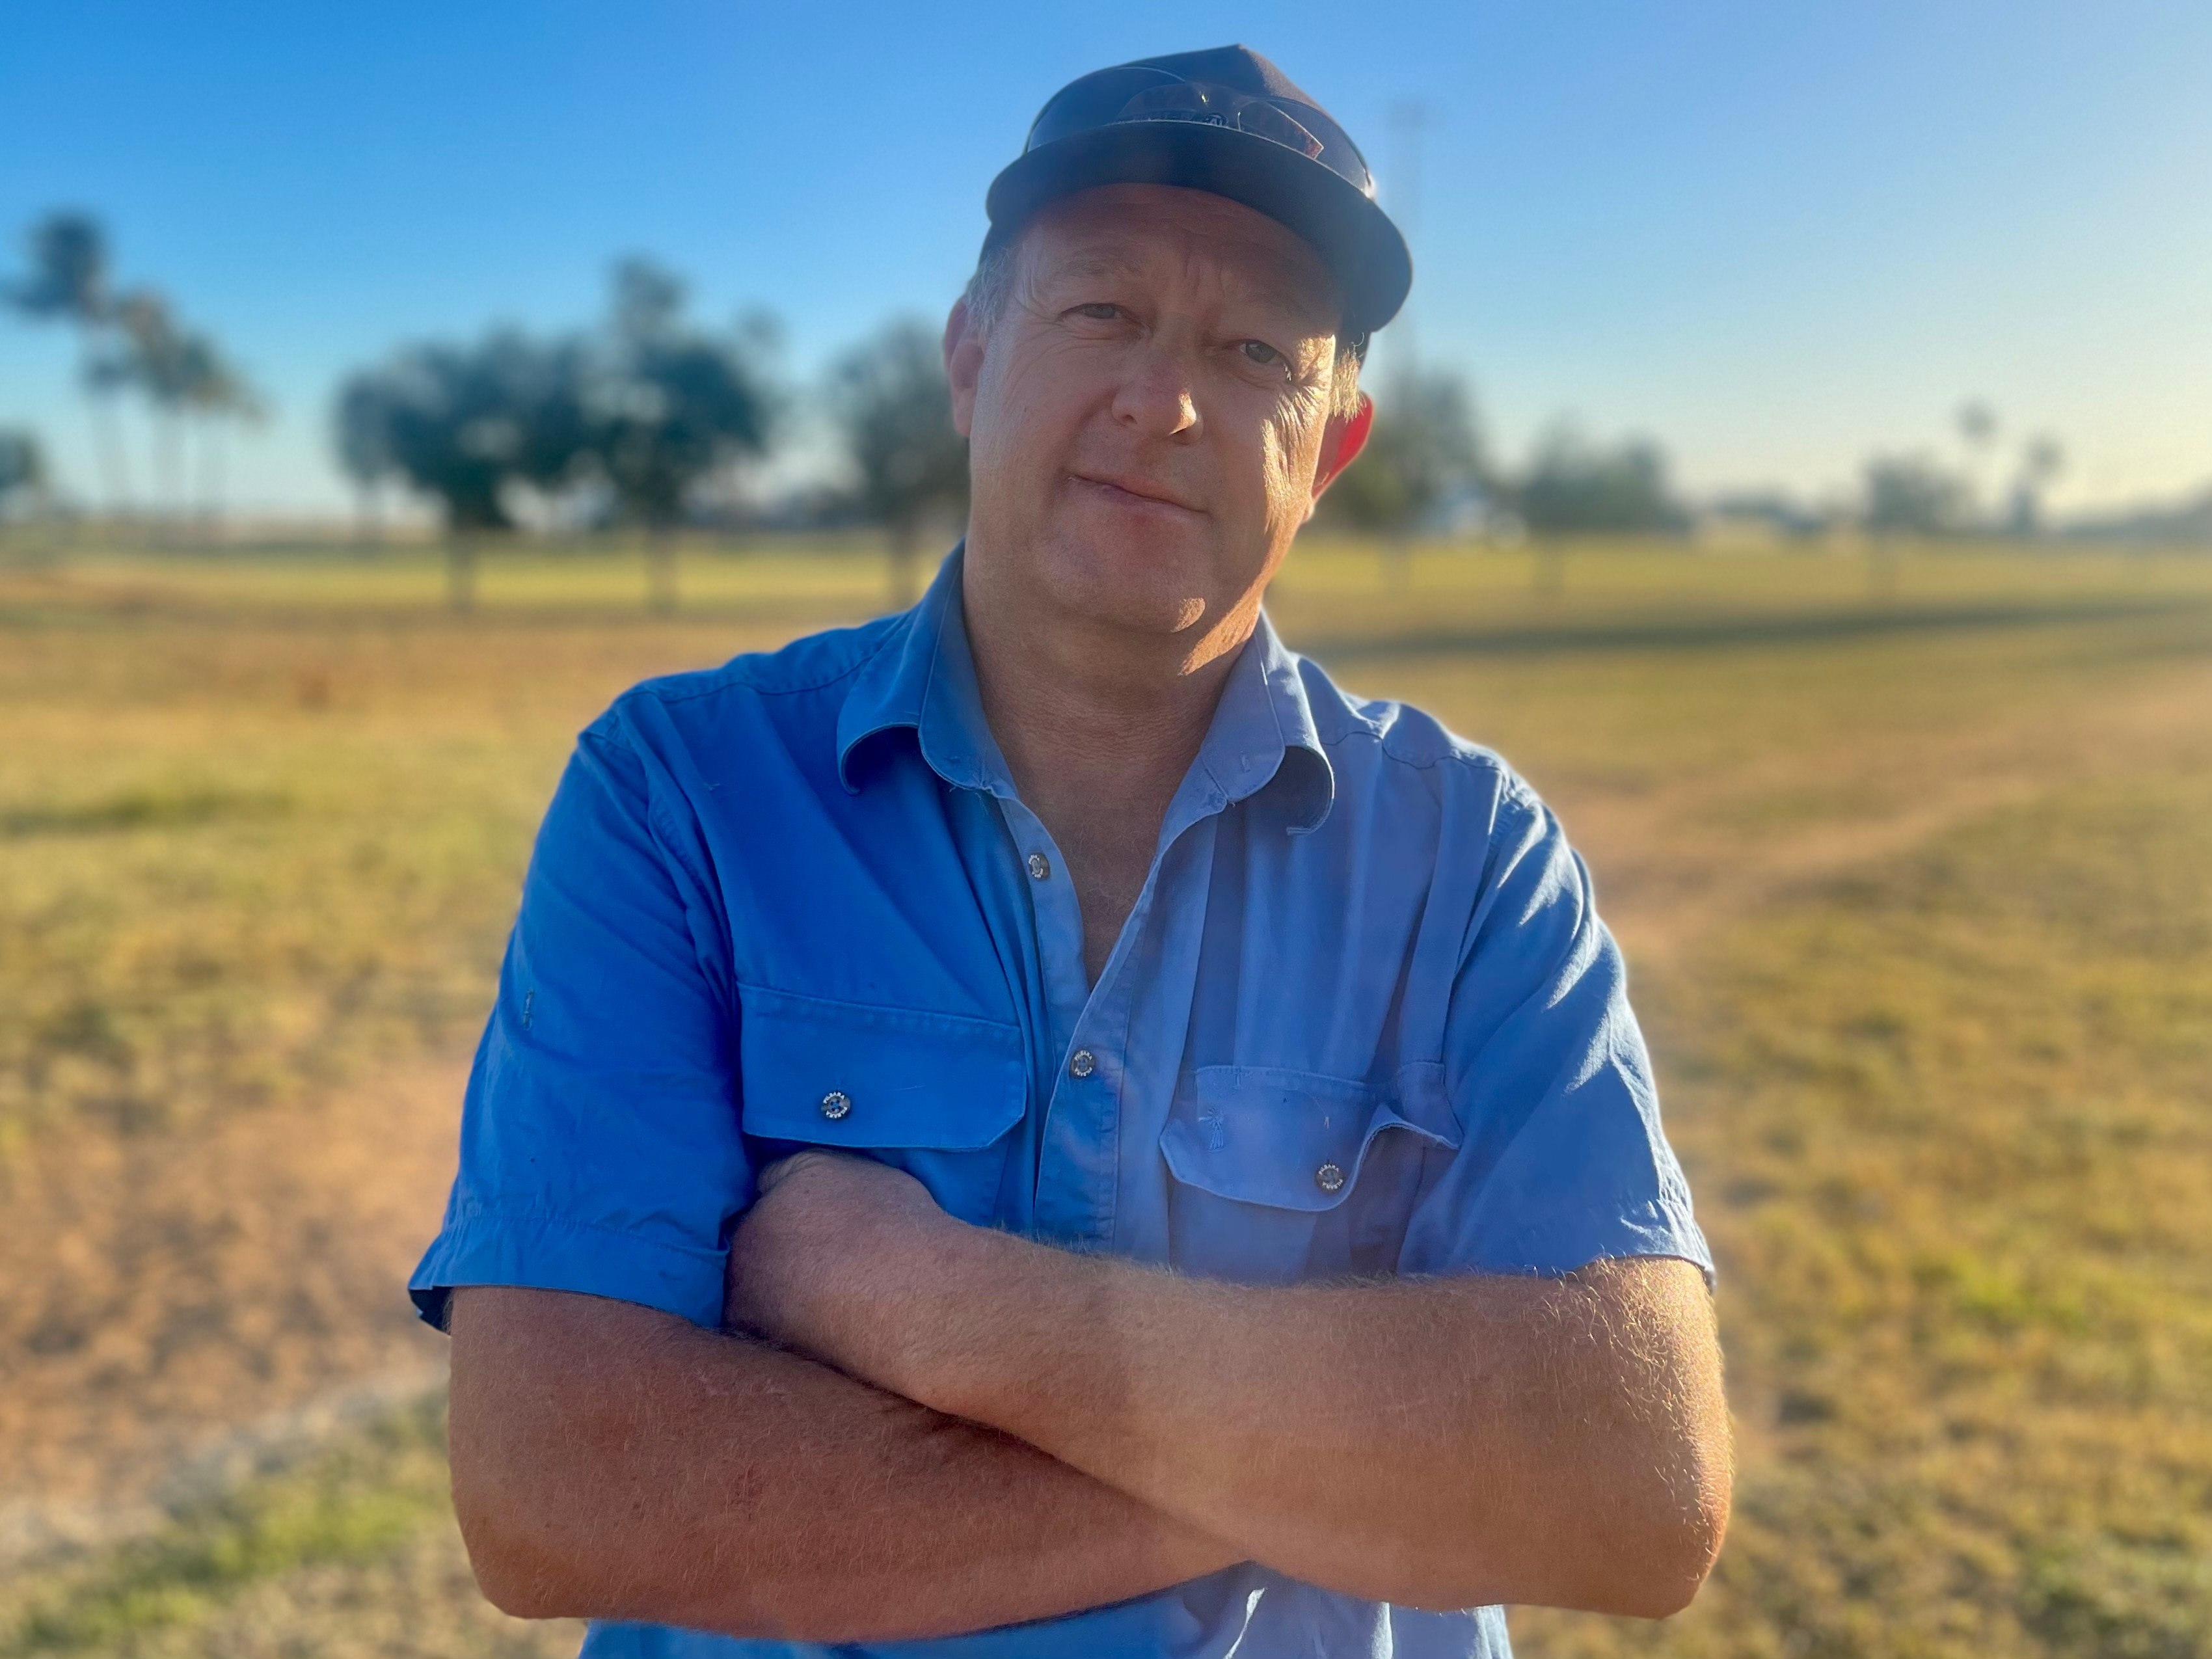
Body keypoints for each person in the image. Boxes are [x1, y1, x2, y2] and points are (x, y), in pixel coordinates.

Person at [411, 44, 1731, 1659]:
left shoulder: (1471, 859)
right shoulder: (680, 792)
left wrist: (926, 1306)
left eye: (1254, 350)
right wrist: (1343, 1460)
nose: (1165, 400)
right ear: (971, 357)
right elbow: (561, 1494)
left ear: (1326, 449)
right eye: (1099, 311)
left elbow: (1634, 1479)